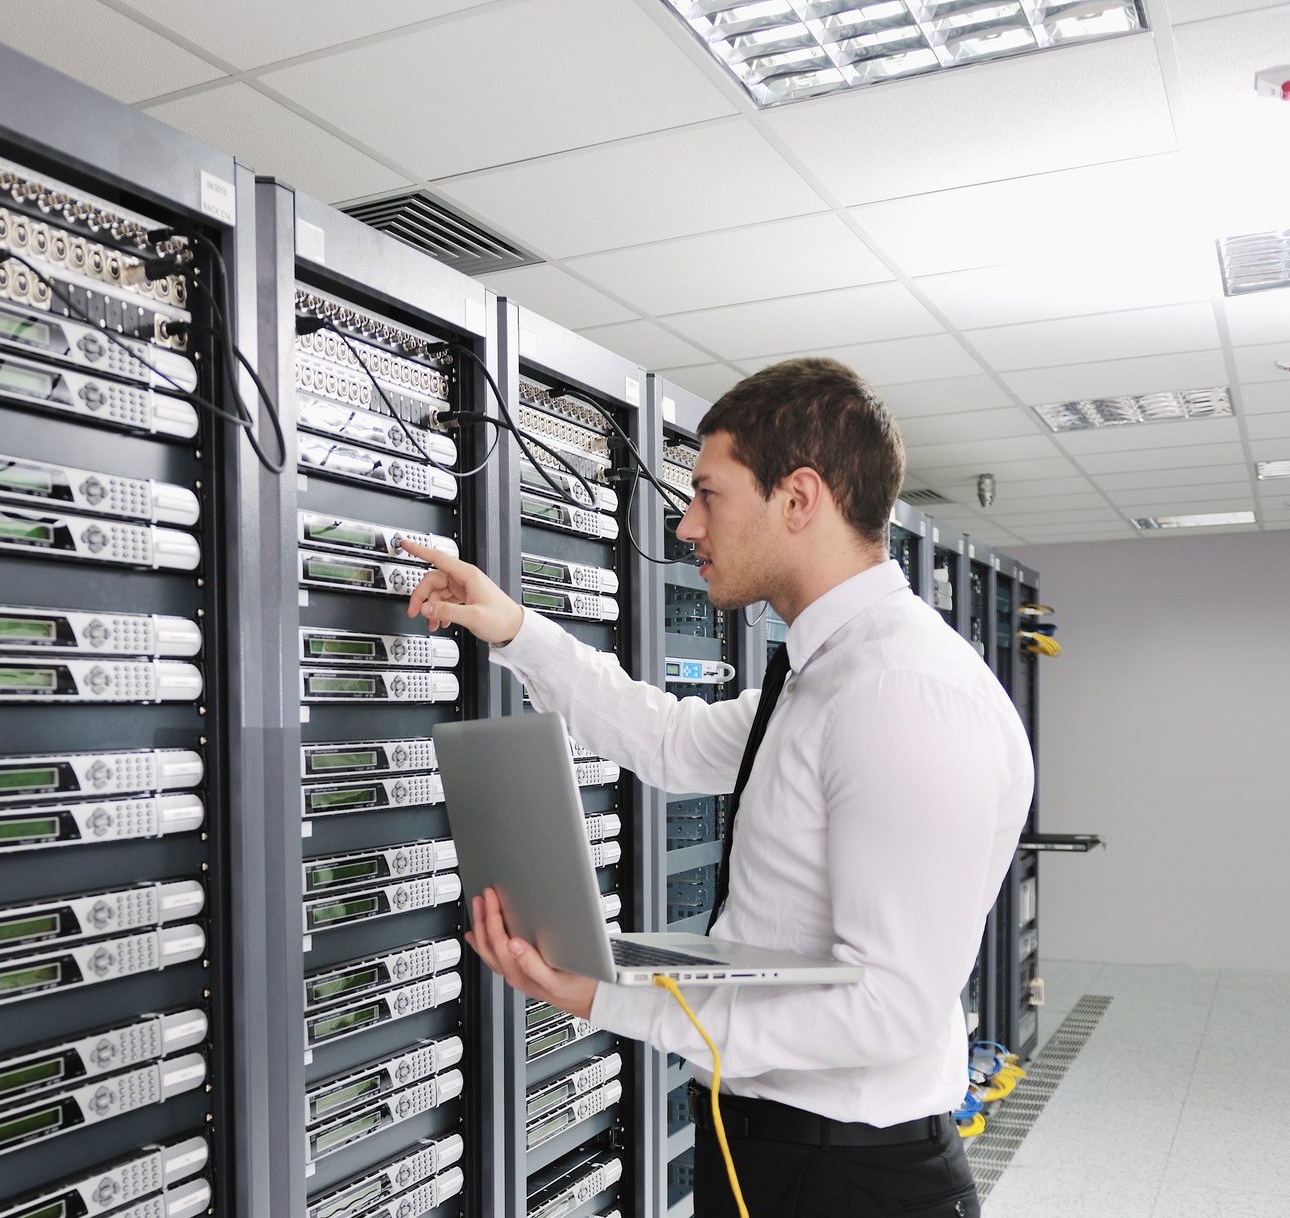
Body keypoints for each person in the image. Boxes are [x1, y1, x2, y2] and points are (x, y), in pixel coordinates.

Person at [402, 358, 1030, 1218]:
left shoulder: (901, 694)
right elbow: (666, 739)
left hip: (849, 1177)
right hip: (772, 1144)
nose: (688, 522)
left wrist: (605, 997)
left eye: (708, 493)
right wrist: (512, 628)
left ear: (799, 498)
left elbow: (887, 1010)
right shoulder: (827, 676)